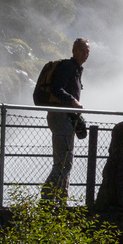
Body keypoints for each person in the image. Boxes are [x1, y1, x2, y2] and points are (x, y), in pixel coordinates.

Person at [41, 38, 90, 202]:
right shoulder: (68, 67)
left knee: (64, 161)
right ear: (74, 50)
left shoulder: (75, 69)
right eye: (83, 50)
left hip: (64, 117)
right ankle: (47, 198)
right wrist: (72, 102)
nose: (86, 54)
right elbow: (56, 89)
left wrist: (77, 117)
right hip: (60, 117)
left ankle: (61, 200)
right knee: (64, 163)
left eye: (87, 51)